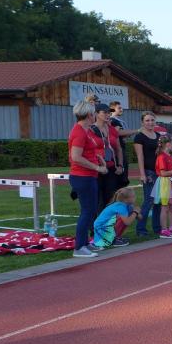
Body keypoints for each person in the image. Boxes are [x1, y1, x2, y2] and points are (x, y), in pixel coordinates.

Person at [68, 100, 108, 258]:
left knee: (89, 211)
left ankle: (84, 243)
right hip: (82, 176)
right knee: (87, 211)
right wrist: (97, 167)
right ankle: (79, 247)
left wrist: (98, 158)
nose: (95, 116)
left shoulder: (86, 130)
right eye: (93, 113)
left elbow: (88, 151)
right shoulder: (79, 132)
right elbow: (76, 157)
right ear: (89, 115)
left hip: (87, 176)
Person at [133, 112, 163, 236]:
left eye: (152, 120)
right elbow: (140, 156)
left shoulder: (158, 136)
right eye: (147, 120)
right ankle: (141, 229)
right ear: (142, 122)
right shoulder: (139, 137)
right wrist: (142, 174)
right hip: (148, 171)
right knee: (149, 201)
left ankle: (157, 228)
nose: (150, 122)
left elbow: (161, 153)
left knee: (158, 201)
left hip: (159, 172)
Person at [91, 103, 124, 213]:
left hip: (111, 168)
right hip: (96, 168)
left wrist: (120, 165)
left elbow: (118, 149)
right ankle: (96, 222)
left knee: (110, 198)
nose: (108, 115)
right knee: (97, 198)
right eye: (104, 112)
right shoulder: (91, 129)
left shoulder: (112, 129)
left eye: (109, 112)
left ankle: (108, 221)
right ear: (96, 114)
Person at [151, 134, 172, 238]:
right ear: (168, 144)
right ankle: (164, 230)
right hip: (164, 184)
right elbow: (163, 173)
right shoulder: (161, 157)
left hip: (171, 182)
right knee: (165, 207)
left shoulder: (169, 156)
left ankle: (171, 227)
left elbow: (170, 172)